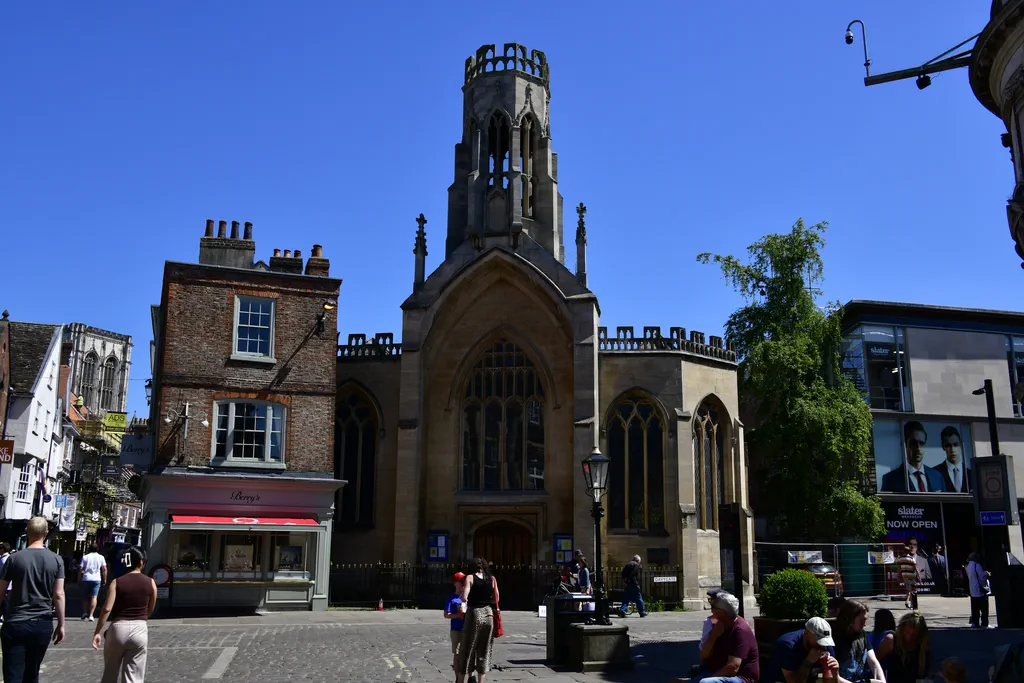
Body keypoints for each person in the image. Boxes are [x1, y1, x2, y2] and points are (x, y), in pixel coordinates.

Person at [0, 516, 66, 683]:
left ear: (26, 532)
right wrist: (61, 624)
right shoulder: (56, 560)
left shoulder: (14, 558)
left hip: (16, 621)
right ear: (45, 533)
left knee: (13, 674)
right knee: (32, 673)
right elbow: (59, 594)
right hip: (42, 622)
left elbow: (1, 591)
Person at [92, 546, 156, 683]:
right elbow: (150, 610)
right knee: (134, 677)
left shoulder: (117, 582)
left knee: (110, 673)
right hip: (139, 629)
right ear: (141, 562)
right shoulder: (151, 583)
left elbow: (107, 609)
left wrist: (97, 631)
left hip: (118, 628)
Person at [695, 591, 759, 683]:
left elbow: (733, 667)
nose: (711, 611)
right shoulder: (719, 625)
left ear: (722, 612)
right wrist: (714, 635)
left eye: (713, 607)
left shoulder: (740, 630)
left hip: (741, 678)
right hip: (718, 672)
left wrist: (710, 677)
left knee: (704, 682)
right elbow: (704, 655)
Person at [456, 557, 498, 683]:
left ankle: (461, 680)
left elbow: (465, 597)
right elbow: (497, 597)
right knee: (484, 650)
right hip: (489, 614)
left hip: (475, 613)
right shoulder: (492, 579)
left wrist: (463, 598)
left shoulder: (470, 577)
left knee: (467, 649)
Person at [762, 617, 838, 683]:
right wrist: (808, 662)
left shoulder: (826, 647)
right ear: (806, 633)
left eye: (825, 641)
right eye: (819, 641)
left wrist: (835, 673)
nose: (822, 645)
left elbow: (829, 680)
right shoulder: (788, 646)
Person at [880, 422, 944, 493]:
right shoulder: (890, 479)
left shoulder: (937, 476)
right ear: (904, 445)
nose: (918, 448)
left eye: (921, 443)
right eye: (913, 443)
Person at [833, 599, 886, 683]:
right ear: (849, 619)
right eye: (861, 621)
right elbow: (834, 676)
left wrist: (882, 681)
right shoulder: (835, 638)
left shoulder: (862, 635)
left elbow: (873, 662)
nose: (865, 624)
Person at [886, 613, 930, 683]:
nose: (910, 638)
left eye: (914, 634)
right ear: (902, 630)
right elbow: (875, 665)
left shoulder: (923, 647)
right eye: (907, 633)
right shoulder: (891, 641)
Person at [445, 572, 468, 677]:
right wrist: (458, 615)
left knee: (467, 653)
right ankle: (457, 677)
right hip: (456, 629)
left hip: (466, 628)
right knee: (457, 654)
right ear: (455, 583)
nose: (463, 583)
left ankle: (468, 675)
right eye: (461, 581)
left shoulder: (467, 597)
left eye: (464, 581)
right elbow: (446, 614)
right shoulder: (452, 598)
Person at [79, 543, 107, 621]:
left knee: (85, 597)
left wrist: (79, 578)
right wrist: (104, 579)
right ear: (97, 549)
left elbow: (80, 568)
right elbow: (104, 569)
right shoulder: (101, 557)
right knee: (94, 597)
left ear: (89, 549)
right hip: (96, 579)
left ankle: (85, 612)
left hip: (86, 578)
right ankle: (91, 615)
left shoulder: (85, 557)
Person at [938, 427, 971, 493]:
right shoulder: (936, 473)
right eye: (948, 445)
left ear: (961, 445)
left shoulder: (971, 474)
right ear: (943, 446)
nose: (952, 450)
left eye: (955, 444)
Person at [966, 552, 991, 629]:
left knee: (975, 608)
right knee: (984, 608)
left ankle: (975, 622)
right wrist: (987, 574)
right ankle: (984, 623)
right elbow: (982, 576)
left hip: (972, 590)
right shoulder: (977, 565)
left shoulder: (968, 566)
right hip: (980, 590)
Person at [897, 543, 921, 610]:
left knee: (908, 589)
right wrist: (919, 576)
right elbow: (916, 568)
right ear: (909, 552)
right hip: (912, 576)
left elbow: (899, 568)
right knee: (913, 590)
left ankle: (908, 601)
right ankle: (912, 604)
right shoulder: (911, 558)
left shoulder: (900, 559)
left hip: (905, 576)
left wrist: (899, 576)